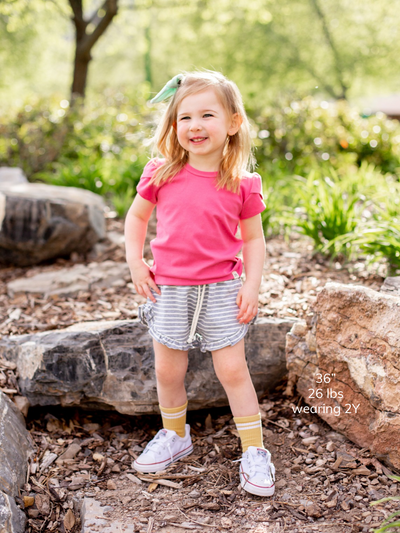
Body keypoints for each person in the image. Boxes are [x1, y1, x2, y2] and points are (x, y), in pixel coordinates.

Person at [124, 70, 275, 497]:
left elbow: (254, 238)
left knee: (232, 370)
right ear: (174, 126)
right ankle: (176, 435)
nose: (194, 125)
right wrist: (136, 262)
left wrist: (251, 285)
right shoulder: (161, 173)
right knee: (168, 369)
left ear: (233, 122)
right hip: (169, 287)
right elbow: (136, 218)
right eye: (184, 117)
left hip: (223, 289)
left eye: (207, 114)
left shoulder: (242, 183)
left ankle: (254, 450)